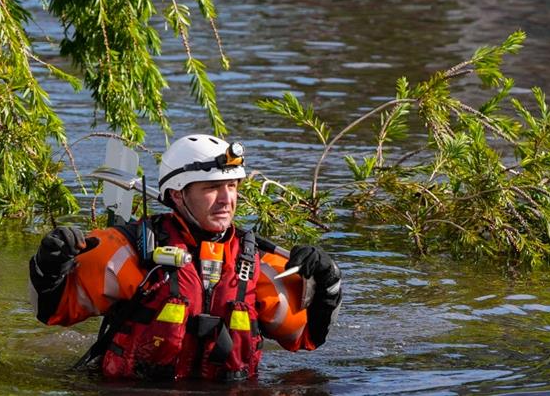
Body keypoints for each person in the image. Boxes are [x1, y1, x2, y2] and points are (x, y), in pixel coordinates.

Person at [28, 134, 342, 381]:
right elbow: (51, 312)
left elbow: (305, 338)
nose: (227, 199)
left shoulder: (258, 263)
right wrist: (50, 266)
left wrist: (327, 284)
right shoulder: (127, 250)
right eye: (212, 188)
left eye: (232, 186)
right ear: (178, 194)